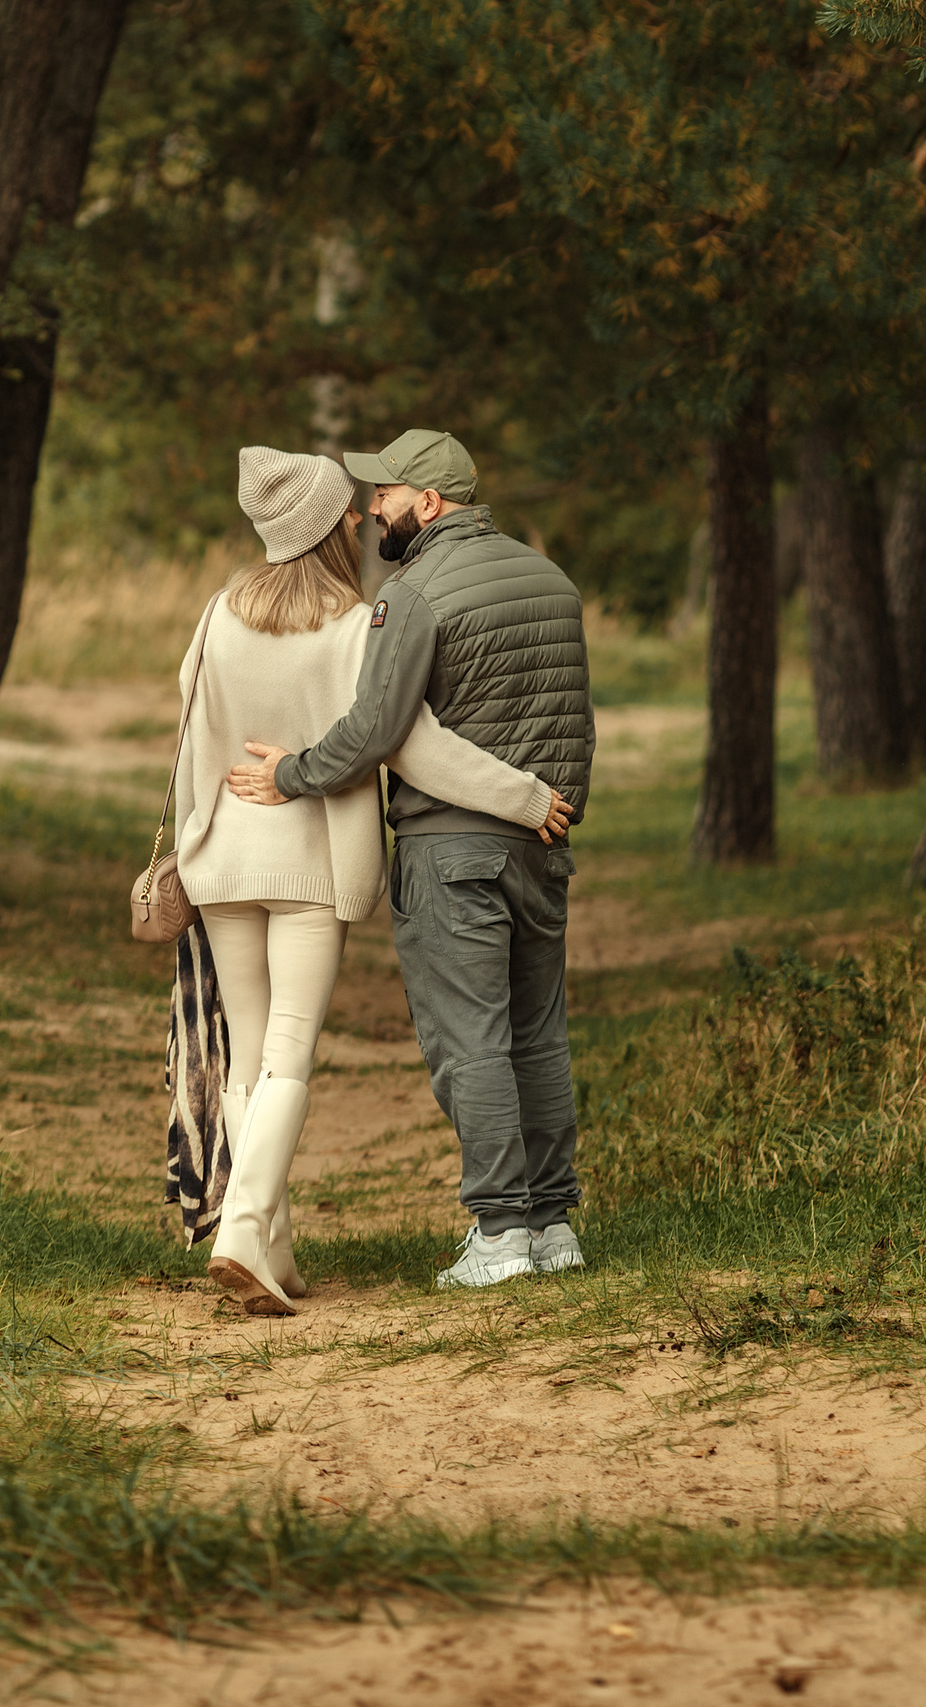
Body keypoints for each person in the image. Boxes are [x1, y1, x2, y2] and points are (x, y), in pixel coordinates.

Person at [175, 445, 570, 1316]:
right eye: (345, 510)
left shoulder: (217, 616)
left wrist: (191, 838)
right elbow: (415, 744)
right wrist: (526, 794)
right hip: (307, 864)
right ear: (322, 527)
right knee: (287, 1056)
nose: (360, 517)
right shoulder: (355, 626)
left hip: (224, 859)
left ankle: (271, 1246)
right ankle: (244, 1225)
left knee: (246, 1058)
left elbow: (190, 737)